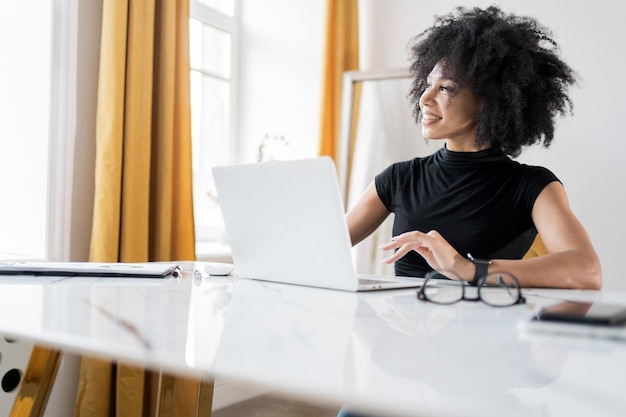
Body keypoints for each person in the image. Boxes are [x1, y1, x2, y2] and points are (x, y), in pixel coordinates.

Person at [345, 5, 602, 293]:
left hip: (485, 336)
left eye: (446, 88)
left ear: (489, 101)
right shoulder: (399, 178)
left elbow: (586, 270)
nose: (425, 99)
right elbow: (320, 248)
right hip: (401, 336)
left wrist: (464, 268)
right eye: (428, 85)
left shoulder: (532, 186)